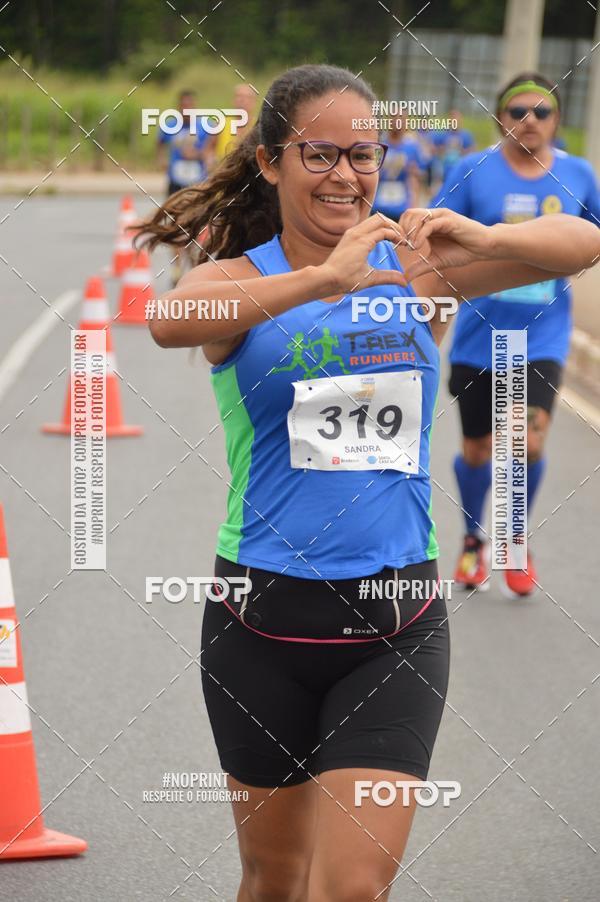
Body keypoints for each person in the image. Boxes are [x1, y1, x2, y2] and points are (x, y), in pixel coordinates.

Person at [139, 64, 598, 901]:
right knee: (273, 881)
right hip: (259, 622)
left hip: (397, 625)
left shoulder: (416, 271)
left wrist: (487, 241)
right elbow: (170, 318)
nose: (346, 175)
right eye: (320, 154)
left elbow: (585, 240)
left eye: (364, 154)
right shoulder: (243, 282)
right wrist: (323, 279)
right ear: (273, 162)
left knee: (349, 889)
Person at [431, 72, 600, 597]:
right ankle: (475, 537)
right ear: (501, 119)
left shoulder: (579, 175)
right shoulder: (471, 170)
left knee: (525, 439)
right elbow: (432, 238)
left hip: (542, 336)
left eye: (542, 111)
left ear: (558, 120)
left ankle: (514, 536)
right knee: (480, 449)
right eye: (518, 111)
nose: (530, 120)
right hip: (478, 338)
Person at [372, 117, 428, 220]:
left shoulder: (412, 147)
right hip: (378, 207)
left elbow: (420, 176)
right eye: (394, 118)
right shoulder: (379, 146)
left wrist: (414, 171)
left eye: (401, 119)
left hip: (402, 208)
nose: (397, 122)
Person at [429, 109, 474, 186]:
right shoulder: (442, 134)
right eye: (452, 119)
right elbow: (432, 148)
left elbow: (472, 151)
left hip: (459, 167)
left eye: (456, 119)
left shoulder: (465, 135)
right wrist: (443, 149)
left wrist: (461, 150)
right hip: (443, 168)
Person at [214, 83, 258, 161]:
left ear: (254, 103)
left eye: (247, 97)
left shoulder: (258, 127)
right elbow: (208, 150)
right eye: (239, 96)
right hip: (224, 170)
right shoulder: (220, 124)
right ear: (233, 101)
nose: (242, 100)